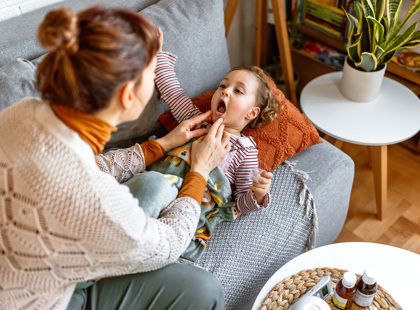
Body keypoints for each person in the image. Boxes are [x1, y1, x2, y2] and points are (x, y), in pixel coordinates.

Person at [0, 6, 230, 310]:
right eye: (152, 74)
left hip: (34, 260)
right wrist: (199, 171)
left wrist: (162, 144)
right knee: (204, 289)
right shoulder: (101, 203)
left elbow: (86, 166)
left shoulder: (27, 112)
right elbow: (170, 243)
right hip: (43, 299)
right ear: (127, 96)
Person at [155, 28, 277, 215]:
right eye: (223, 85)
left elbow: (240, 203)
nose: (225, 91)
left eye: (238, 91)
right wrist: (158, 55)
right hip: (158, 183)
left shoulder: (245, 152)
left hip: (188, 207)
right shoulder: (196, 119)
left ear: (252, 113)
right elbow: (172, 92)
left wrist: (258, 194)